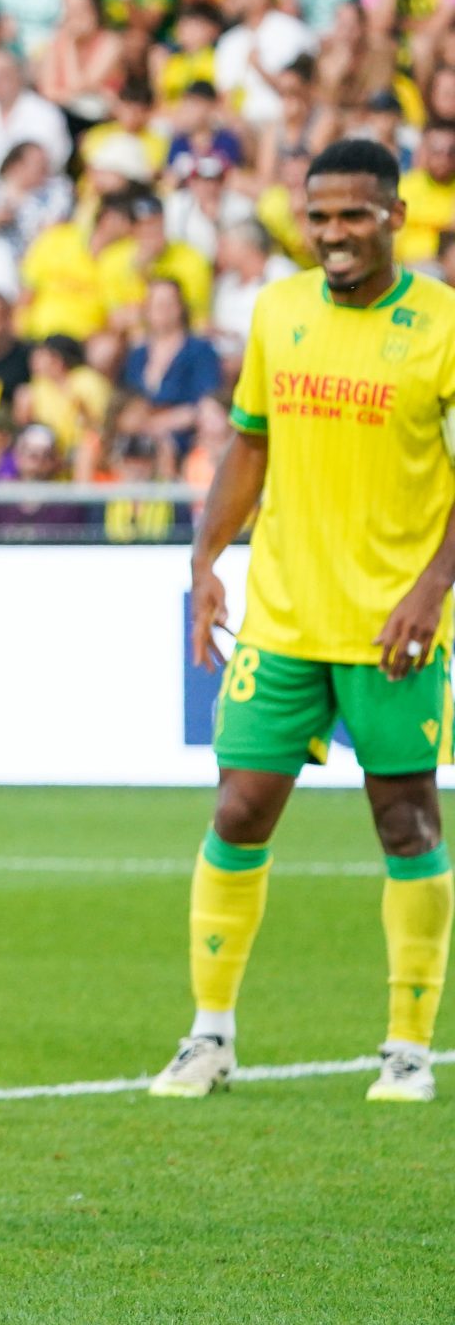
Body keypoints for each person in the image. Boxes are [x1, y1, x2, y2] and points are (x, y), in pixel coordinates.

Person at [164, 135, 455, 1108]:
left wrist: (430, 589)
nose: (332, 233)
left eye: (353, 215)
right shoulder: (277, 308)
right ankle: (208, 1034)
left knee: (405, 817)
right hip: (281, 616)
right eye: (318, 214)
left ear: (395, 218)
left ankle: (407, 1047)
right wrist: (206, 559)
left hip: (390, 628)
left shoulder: (441, 325)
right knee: (238, 807)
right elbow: (248, 443)